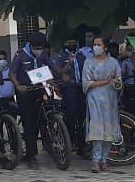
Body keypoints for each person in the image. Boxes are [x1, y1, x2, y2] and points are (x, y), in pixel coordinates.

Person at [9, 32, 51, 168]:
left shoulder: (42, 53)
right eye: (37, 47)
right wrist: (18, 85)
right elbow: (12, 73)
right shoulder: (20, 55)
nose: (39, 50)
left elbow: (52, 65)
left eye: (41, 47)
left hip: (39, 87)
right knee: (29, 123)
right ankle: (31, 156)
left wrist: (61, 73)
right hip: (25, 91)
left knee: (47, 113)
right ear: (31, 45)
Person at [82, 36, 120, 173]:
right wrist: (105, 81)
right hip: (94, 98)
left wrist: (115, 82)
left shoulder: (113, 62)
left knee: (109, 130)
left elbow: (118, 80)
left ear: (105, 47)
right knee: (97, 130)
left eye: (99, 44)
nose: (95, 47)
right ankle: (95, 160)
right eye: (94, 44)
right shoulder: (88, 62)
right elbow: (86, 83)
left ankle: (104, 159)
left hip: (110, 99)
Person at [54, 36, 88, 157]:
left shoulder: (80, 55)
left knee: (82, 116)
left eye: (74, 42)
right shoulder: (60, 56)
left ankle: (82, 146)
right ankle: (71, 141)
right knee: (71, 114)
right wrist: (69, 63)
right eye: (70, 42)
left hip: (81, 87)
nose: (72, 44)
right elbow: (58, 72)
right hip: (69, 88)